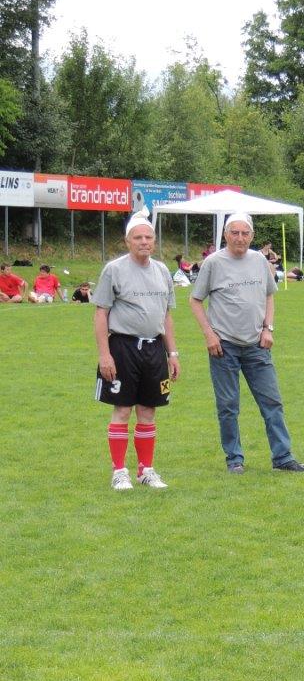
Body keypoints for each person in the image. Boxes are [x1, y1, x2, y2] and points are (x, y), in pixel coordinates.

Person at [190, 213, 304, 474]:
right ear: (225, 235)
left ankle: (283, 457)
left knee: (272, 402)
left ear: (252, 236)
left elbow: (269, 295)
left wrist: (268, 329)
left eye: (245, 233)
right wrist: (209, 335)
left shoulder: (259, 261)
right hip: (224, 346)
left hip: (257, 344)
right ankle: (234, 459)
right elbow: (195, 300)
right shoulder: (213, 263)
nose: (240, 238)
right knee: (228, 406)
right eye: (234, 233)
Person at [93, 209, 179, 491]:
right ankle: (119, 471)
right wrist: (104, 354)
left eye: (148, 237)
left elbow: (166, 315)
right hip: (123, 347)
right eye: (138, 237)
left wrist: (172, 354)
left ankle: (146, 470)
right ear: (127, 241)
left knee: (148, 410)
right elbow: (101, 313)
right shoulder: (114, 270)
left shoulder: (163, 271)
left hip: (154, 348)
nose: (144, 242)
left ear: (154, 241)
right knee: (122, 409)